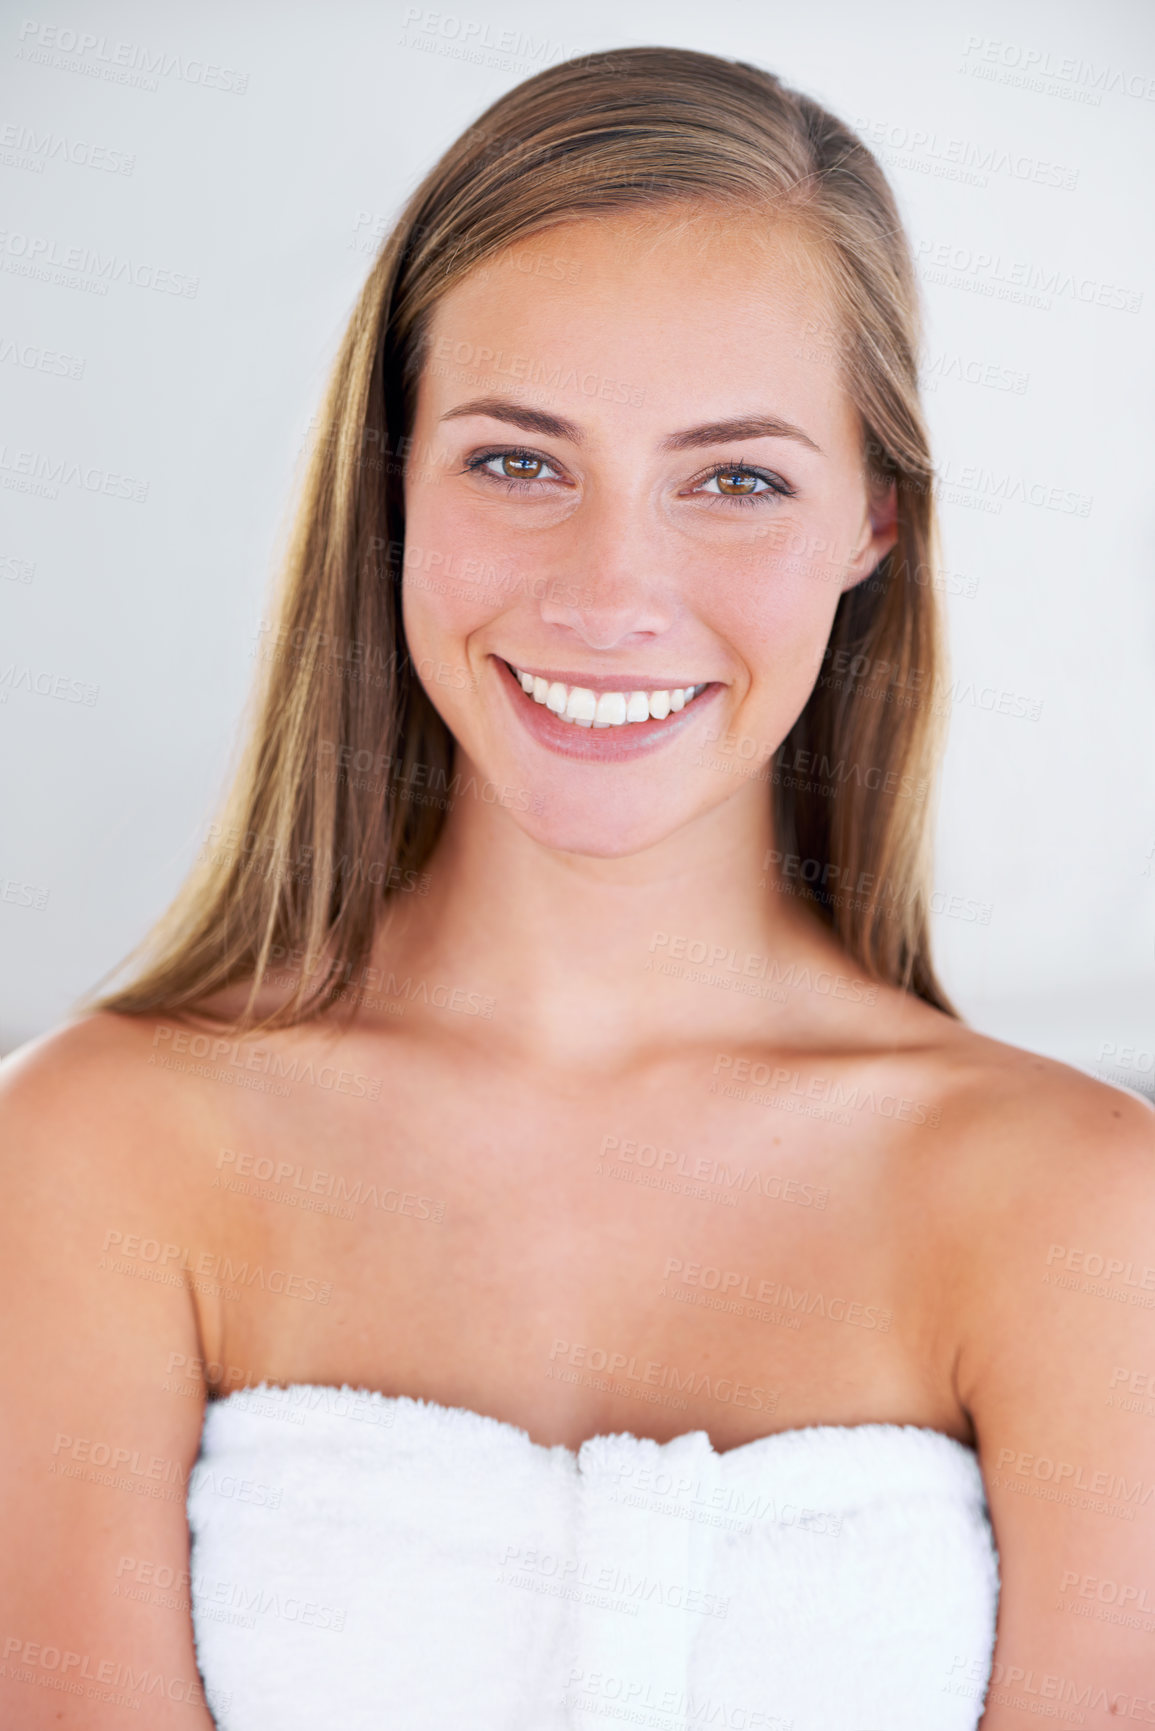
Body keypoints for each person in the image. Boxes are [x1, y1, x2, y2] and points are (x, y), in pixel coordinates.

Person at [1, 44, 1152, 1731]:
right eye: (519, 462)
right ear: (391, 482)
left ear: (873, 527)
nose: (613, 593)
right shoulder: (95, 1153)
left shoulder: (1084, 1211)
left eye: (738, 480)